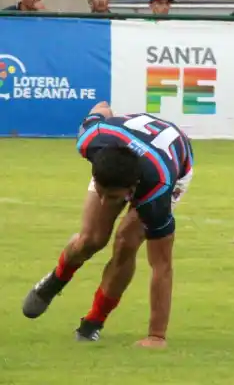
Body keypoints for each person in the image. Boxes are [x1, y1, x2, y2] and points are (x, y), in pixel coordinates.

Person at [22, 102, 194, 348]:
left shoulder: (157, 192)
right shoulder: (92, 139)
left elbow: (162, 265)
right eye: (100, 193)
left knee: (126, 242)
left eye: (112, 197)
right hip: (123, 151)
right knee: (91, 239)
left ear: (132, 189)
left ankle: (93, 322)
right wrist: (104, 110)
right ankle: (56, 280)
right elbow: (102, 106)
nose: (104, 202)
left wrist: (157, 336)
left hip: (171, 170)